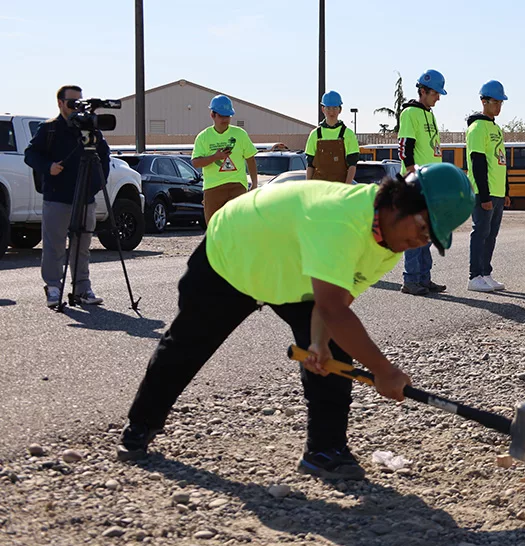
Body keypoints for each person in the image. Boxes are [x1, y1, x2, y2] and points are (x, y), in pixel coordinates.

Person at [117, 163, 475, 480]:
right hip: (235, 255)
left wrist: (317, 344)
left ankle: (325, 451)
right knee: (188, 343)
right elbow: (336, 309)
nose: (419, 242)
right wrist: (383, 369)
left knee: (333, 353)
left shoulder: (386, 244)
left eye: (429, 239)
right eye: (424, 229)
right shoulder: (341, 218)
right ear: (400, 203)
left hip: (296, 276)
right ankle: (141, 425)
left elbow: (335, 305)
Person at [24, 85, 109, 308]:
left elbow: (104, 157)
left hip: (85, 198)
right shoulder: (49, 129)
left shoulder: (89, 129)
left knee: (82, 246)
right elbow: (30, 154)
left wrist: (97, 184)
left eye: (79, 101)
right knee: (55, 245)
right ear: (60, 103)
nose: (76, 107)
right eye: (72, 102)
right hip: (57, 197)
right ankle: (53, 287)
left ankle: (82, 289)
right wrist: (48, 166)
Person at [398, 69, 448, 296]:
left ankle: (424, 278)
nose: (438, 97)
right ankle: (411, 280)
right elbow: (405, 146)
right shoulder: (410, 113)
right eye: (436, 93)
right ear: (423, 91)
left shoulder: (430, 114)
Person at [466, 80, 510, 293]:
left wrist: (506, 190)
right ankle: (474, 276)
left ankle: (486, 273)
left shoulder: (497, 128)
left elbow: (501, 161)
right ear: (483, 101)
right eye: (495, 102)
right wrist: (484, 195)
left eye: (501, 102)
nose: (498, 106)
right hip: (484, 192)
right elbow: (478, 163)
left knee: (491, 234)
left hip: (498, 191)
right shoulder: (476, 128)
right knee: (480, 232)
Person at [191, 95, 258, 223]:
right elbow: (196, 162)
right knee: (213, 227)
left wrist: (254, 183)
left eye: (228, 116)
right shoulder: (203, 137)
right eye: (222, 116)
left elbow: (250, 159)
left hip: (237, 186)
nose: (225, 119)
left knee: (238, 225)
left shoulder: (240, 134)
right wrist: (215, 157)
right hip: (213, 187)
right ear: (213, 115)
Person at [305, 91, 360, 184]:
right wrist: (308, 187)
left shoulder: (348, 134)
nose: (331, 112)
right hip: (318, 188)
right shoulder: (315, 134)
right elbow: (310, 165)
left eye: (335, 108)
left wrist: (346, 188)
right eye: (328, 108)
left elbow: (352, 165)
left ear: (340, 109)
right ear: (323, 109)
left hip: (339, 189)